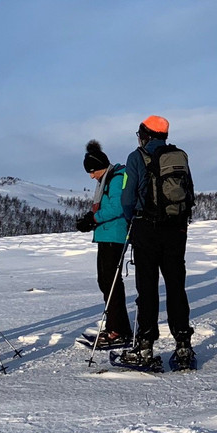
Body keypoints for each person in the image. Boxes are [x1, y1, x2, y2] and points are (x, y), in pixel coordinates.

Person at [118, 116, 195, 367]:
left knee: (147, 288)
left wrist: (132, 219)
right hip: (176, 229)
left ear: (144, 134)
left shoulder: (136, 157)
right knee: (175, 286)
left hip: (146, 228)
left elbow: (128, 197)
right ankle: (183, 345)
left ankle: (145, 346)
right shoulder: (179, 156)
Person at [76, 140, 132, 348]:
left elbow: (117, 206)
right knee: (105, 282)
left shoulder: (115, 179)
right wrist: (90, 219)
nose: (91, 176)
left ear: (101, 166)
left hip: (114, 236)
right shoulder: (106, 180)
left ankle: (119, 330)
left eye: (92, 171)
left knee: (111, 282)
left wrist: (94, 219)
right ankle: (114, 326)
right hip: (106, 235)